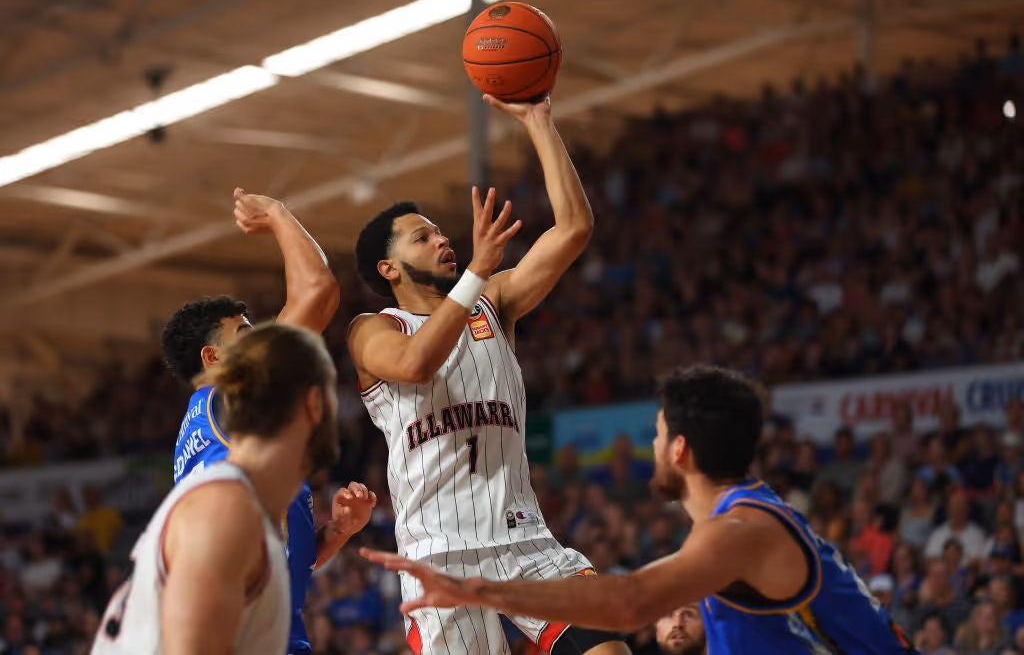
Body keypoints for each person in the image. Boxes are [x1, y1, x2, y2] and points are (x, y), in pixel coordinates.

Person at [363, 366, 917, 653]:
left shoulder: (743, 530)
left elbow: (629, 604)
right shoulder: (739, 523)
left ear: (680, 450)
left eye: (656, 435)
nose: (652, 447)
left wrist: (476, 590)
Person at [347, 95, 628, 655]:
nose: (443, 239)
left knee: (608, 646)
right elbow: (413, 364)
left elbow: (572, 229)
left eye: (439, 232)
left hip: (525, 539)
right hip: (439, 556)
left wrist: (540, 121)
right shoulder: (372, 329)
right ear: (388, 268)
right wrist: (476, 269)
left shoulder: (491, 302)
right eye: (421, 237)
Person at [92, 323, 375, 654]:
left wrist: (339, 532)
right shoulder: (225, 507)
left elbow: (278, 569)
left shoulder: (245, 502)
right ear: (313, 404)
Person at [160, 188, 354, 655]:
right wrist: (278, 214)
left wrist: (335, 534)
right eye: (244, 333)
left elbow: (273, 556)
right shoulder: (235, 393)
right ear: (215, 357)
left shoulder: (206, 436)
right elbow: (319, 292)